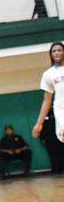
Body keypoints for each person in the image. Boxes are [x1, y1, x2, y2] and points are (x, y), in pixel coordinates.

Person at [32, 41, 64, 173]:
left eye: (59, 50)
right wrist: (39, 124)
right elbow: (47, 100)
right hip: (60, 110)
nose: (56, 52)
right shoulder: (48, 74)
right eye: (53, 51)